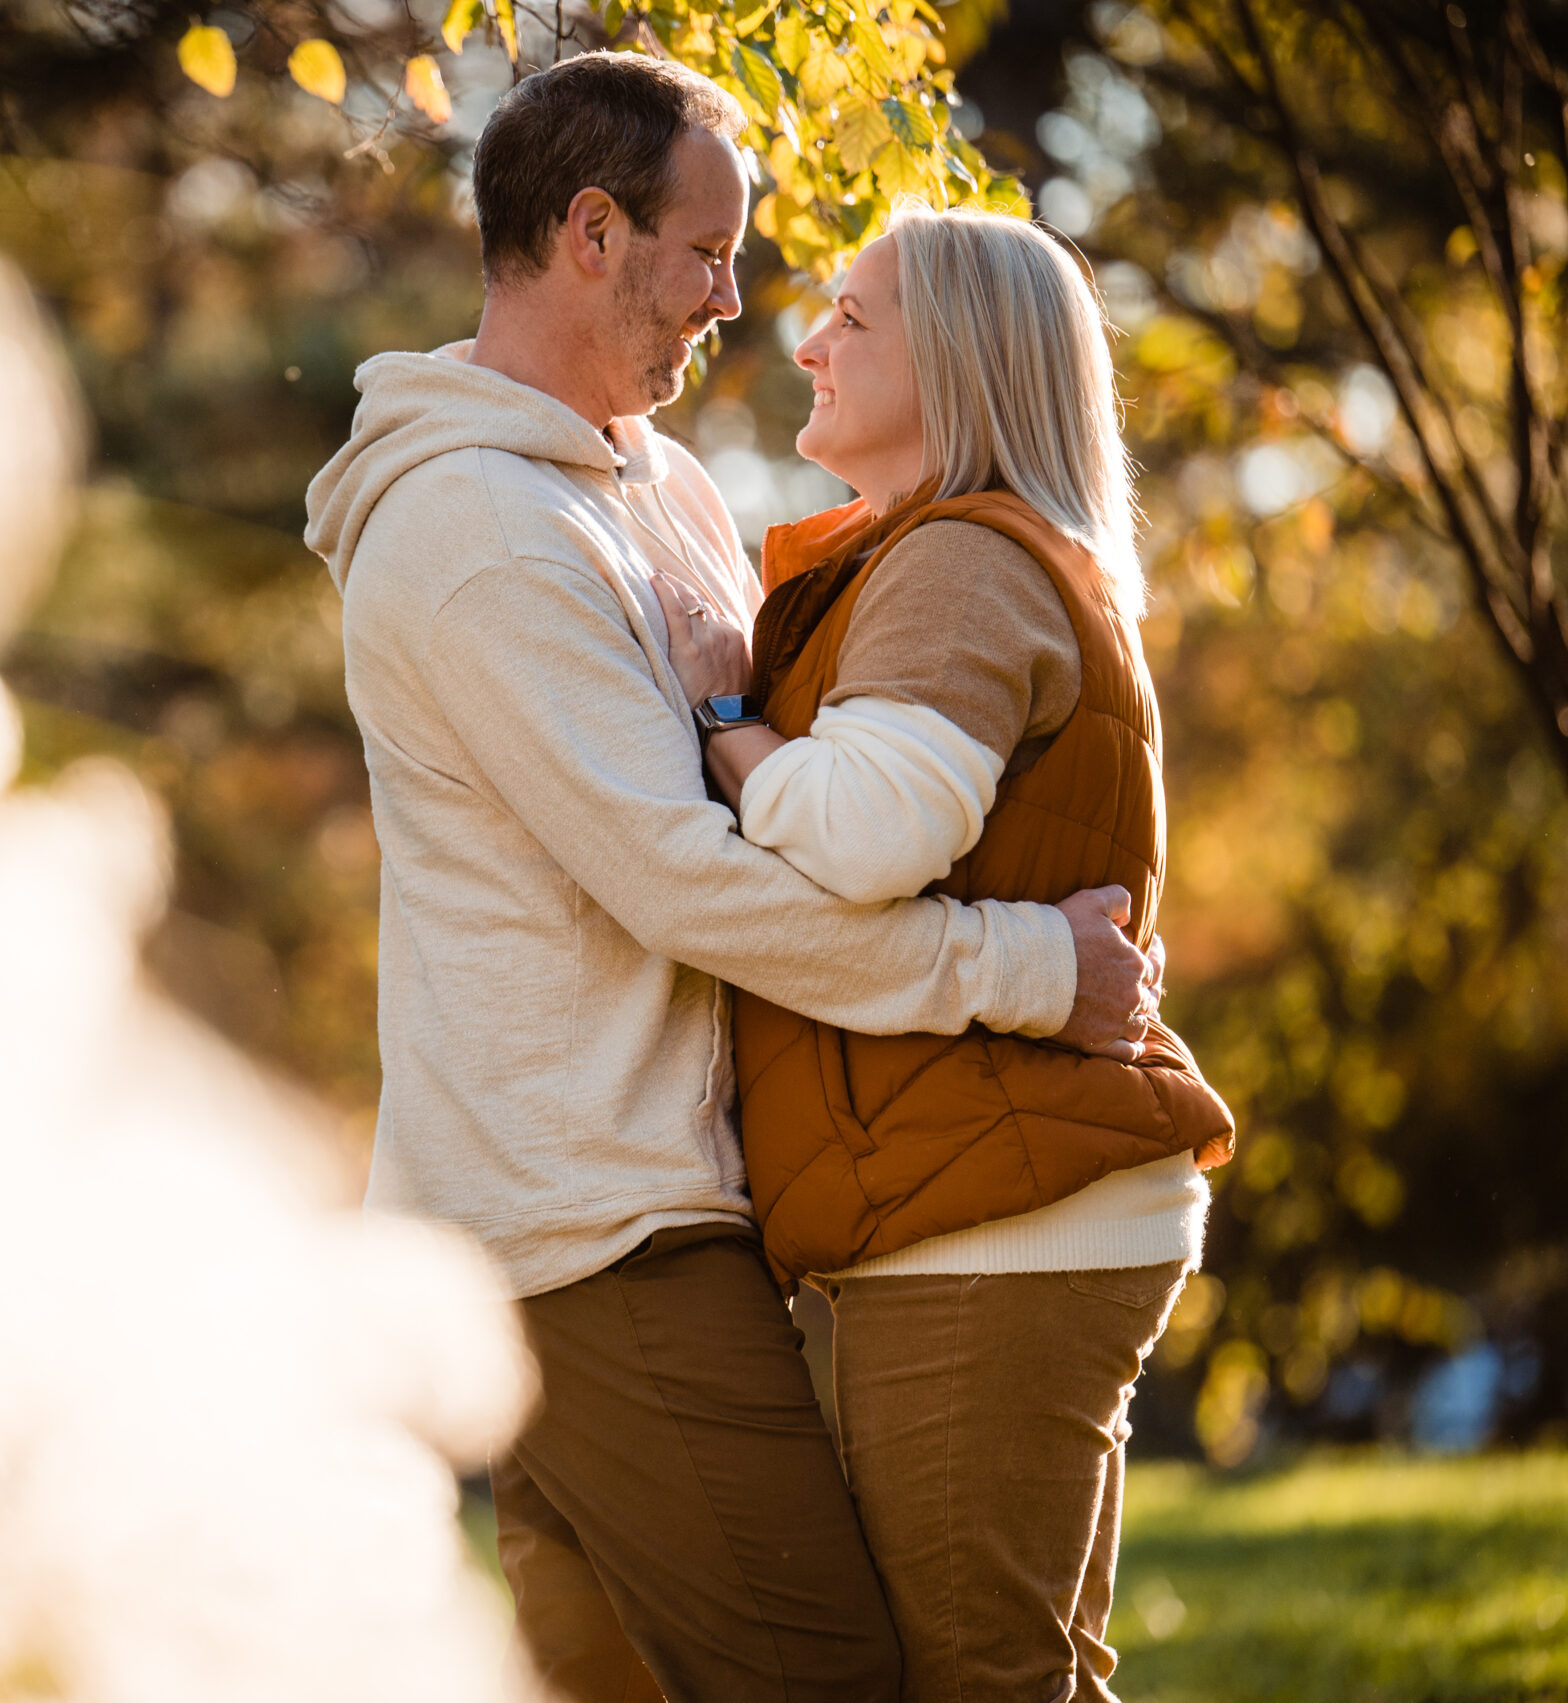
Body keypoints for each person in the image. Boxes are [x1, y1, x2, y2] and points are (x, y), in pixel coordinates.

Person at [302, 54, 1162, 1703]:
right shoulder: (478, 531)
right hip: (590, 1223)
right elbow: (689, 880)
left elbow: (762, 776)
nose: (734, 296)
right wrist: (1029, 972)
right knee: (826, 1677)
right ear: (594, 233)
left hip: (654, 1203)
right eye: (708, 252)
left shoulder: (661, 488)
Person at [652, 203, 1236, 1703]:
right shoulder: (944, 558)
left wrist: (730, 729)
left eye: (855, 316)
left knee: (980, 1681)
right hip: (993, 1199)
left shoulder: (962, 562)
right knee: (1028, 1670)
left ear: (962, 361)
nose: (807, 340)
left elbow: (857, 834)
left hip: (994, 1217)